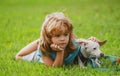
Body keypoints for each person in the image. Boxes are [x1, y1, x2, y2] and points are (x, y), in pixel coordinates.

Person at [15, 12, 98, 67]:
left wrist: (91, 41)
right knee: (19, 56)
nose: (62, 39)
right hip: (35, 56)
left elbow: (86, 47)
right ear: (49, 36)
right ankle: (42, 40)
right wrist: (60, 52)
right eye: (57, 36)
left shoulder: (73, 42)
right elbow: (55, 68)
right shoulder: (43, 50)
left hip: (48, 40)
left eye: (65, 34)